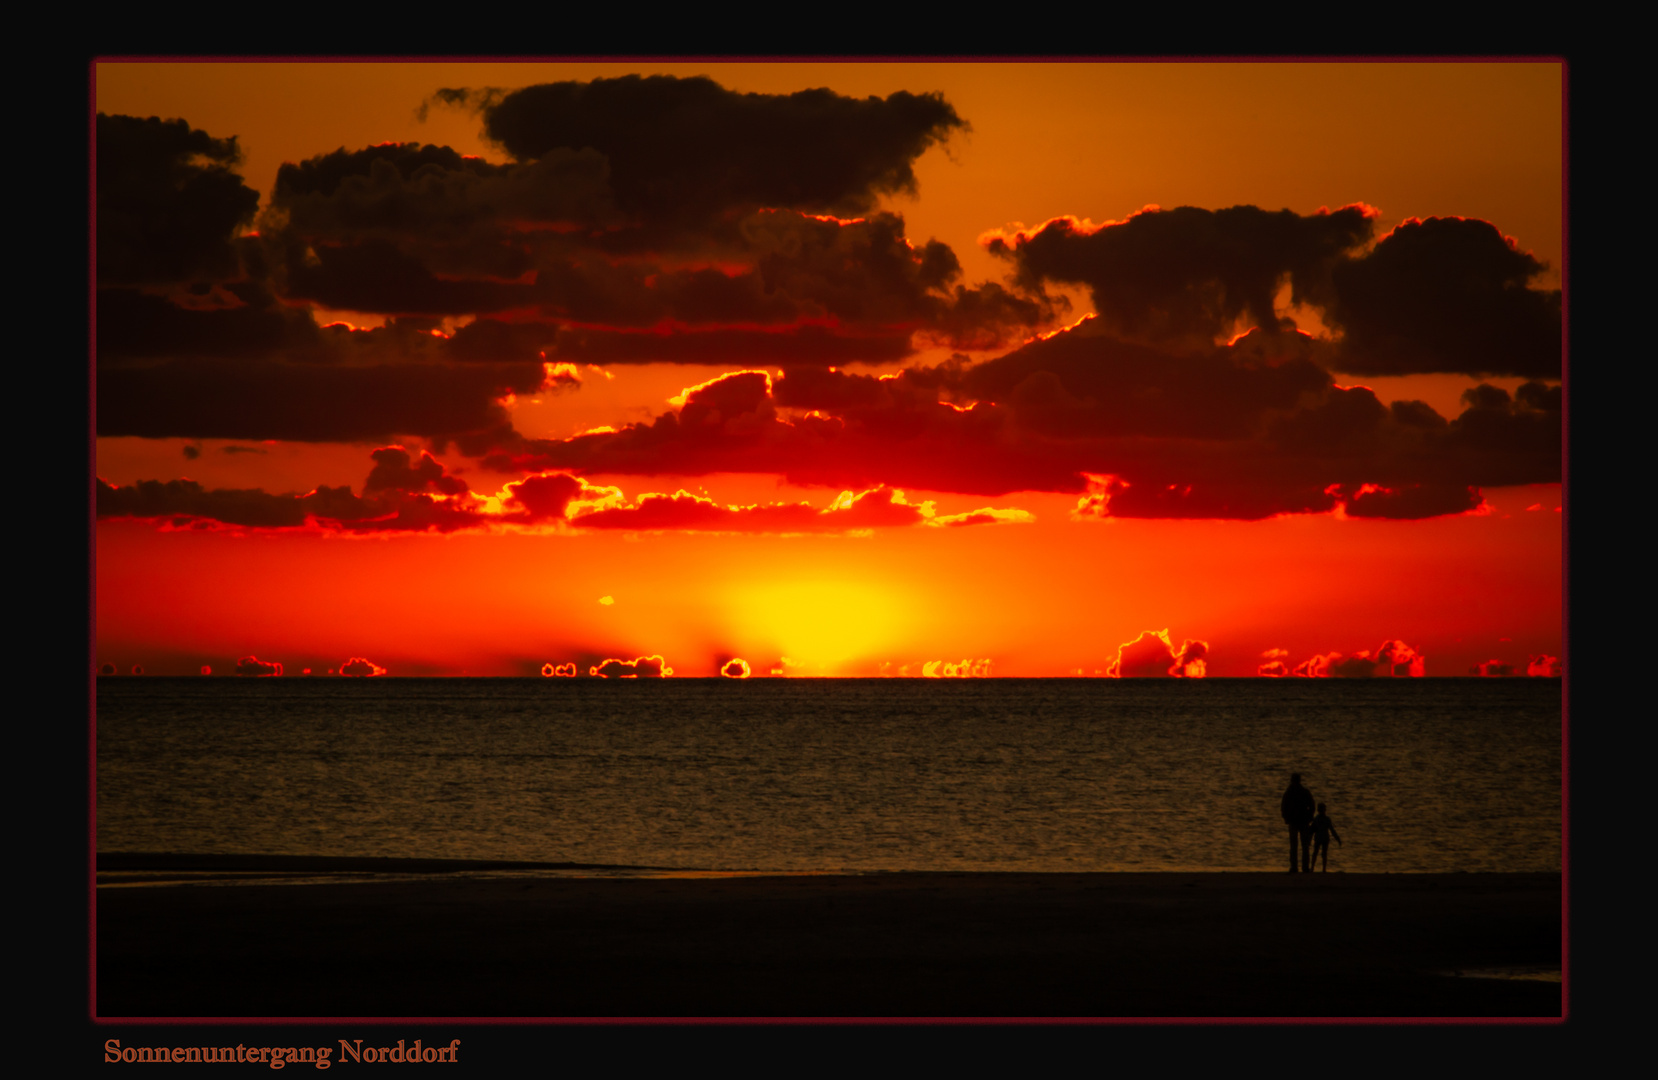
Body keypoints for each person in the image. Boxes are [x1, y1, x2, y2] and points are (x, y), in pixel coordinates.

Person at [1280, 773, 1315, 872]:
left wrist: (1309, 817)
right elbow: (1284, 807)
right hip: (1297, 821)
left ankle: (1299, 867)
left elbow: (1283, 807)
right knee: (1300, 845)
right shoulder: (1300, 792)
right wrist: (1286, 817)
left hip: (1300, 821)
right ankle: (1299, 867)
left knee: (1299, 845)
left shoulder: (1292, 792)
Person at [1309, 802, 1342, 872]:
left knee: (1322, 854)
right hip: (1320, 838)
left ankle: (1321, 868)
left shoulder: (1325, 819)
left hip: (1323, 838)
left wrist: (1337, 838)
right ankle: (1314, 868)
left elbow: (1332, 830)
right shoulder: (1318, 819)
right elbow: (1312, 830)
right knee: (1317, 853)